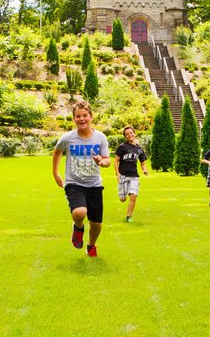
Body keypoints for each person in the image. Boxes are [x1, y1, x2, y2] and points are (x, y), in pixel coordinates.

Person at [51, 99, 112, 258]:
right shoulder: (68, 138)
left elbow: (107, 160)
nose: (81, 119)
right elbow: (57, 152)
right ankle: (78, 228)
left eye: (85, 115)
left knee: (96, 224)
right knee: (79, 213)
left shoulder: (100, 138)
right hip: (74, 183)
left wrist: (101, 162)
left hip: (94, 185)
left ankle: (91, 246)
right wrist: (55, 173)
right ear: (74, 119)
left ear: (91, 117)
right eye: (78, 116)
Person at [115, 125, 149, 222]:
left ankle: (129, 216)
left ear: (134, 133)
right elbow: (116, 161)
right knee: (122, 199)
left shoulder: (139, 149)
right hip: (123, 175)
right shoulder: (122, 147)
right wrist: (117, 174)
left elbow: (143, 163)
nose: (129, 135)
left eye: (131, 133)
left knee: (133, 196)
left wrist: (144, 170)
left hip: (134, 176)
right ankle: (122, 194)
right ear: (125, 136)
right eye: (127, 134)